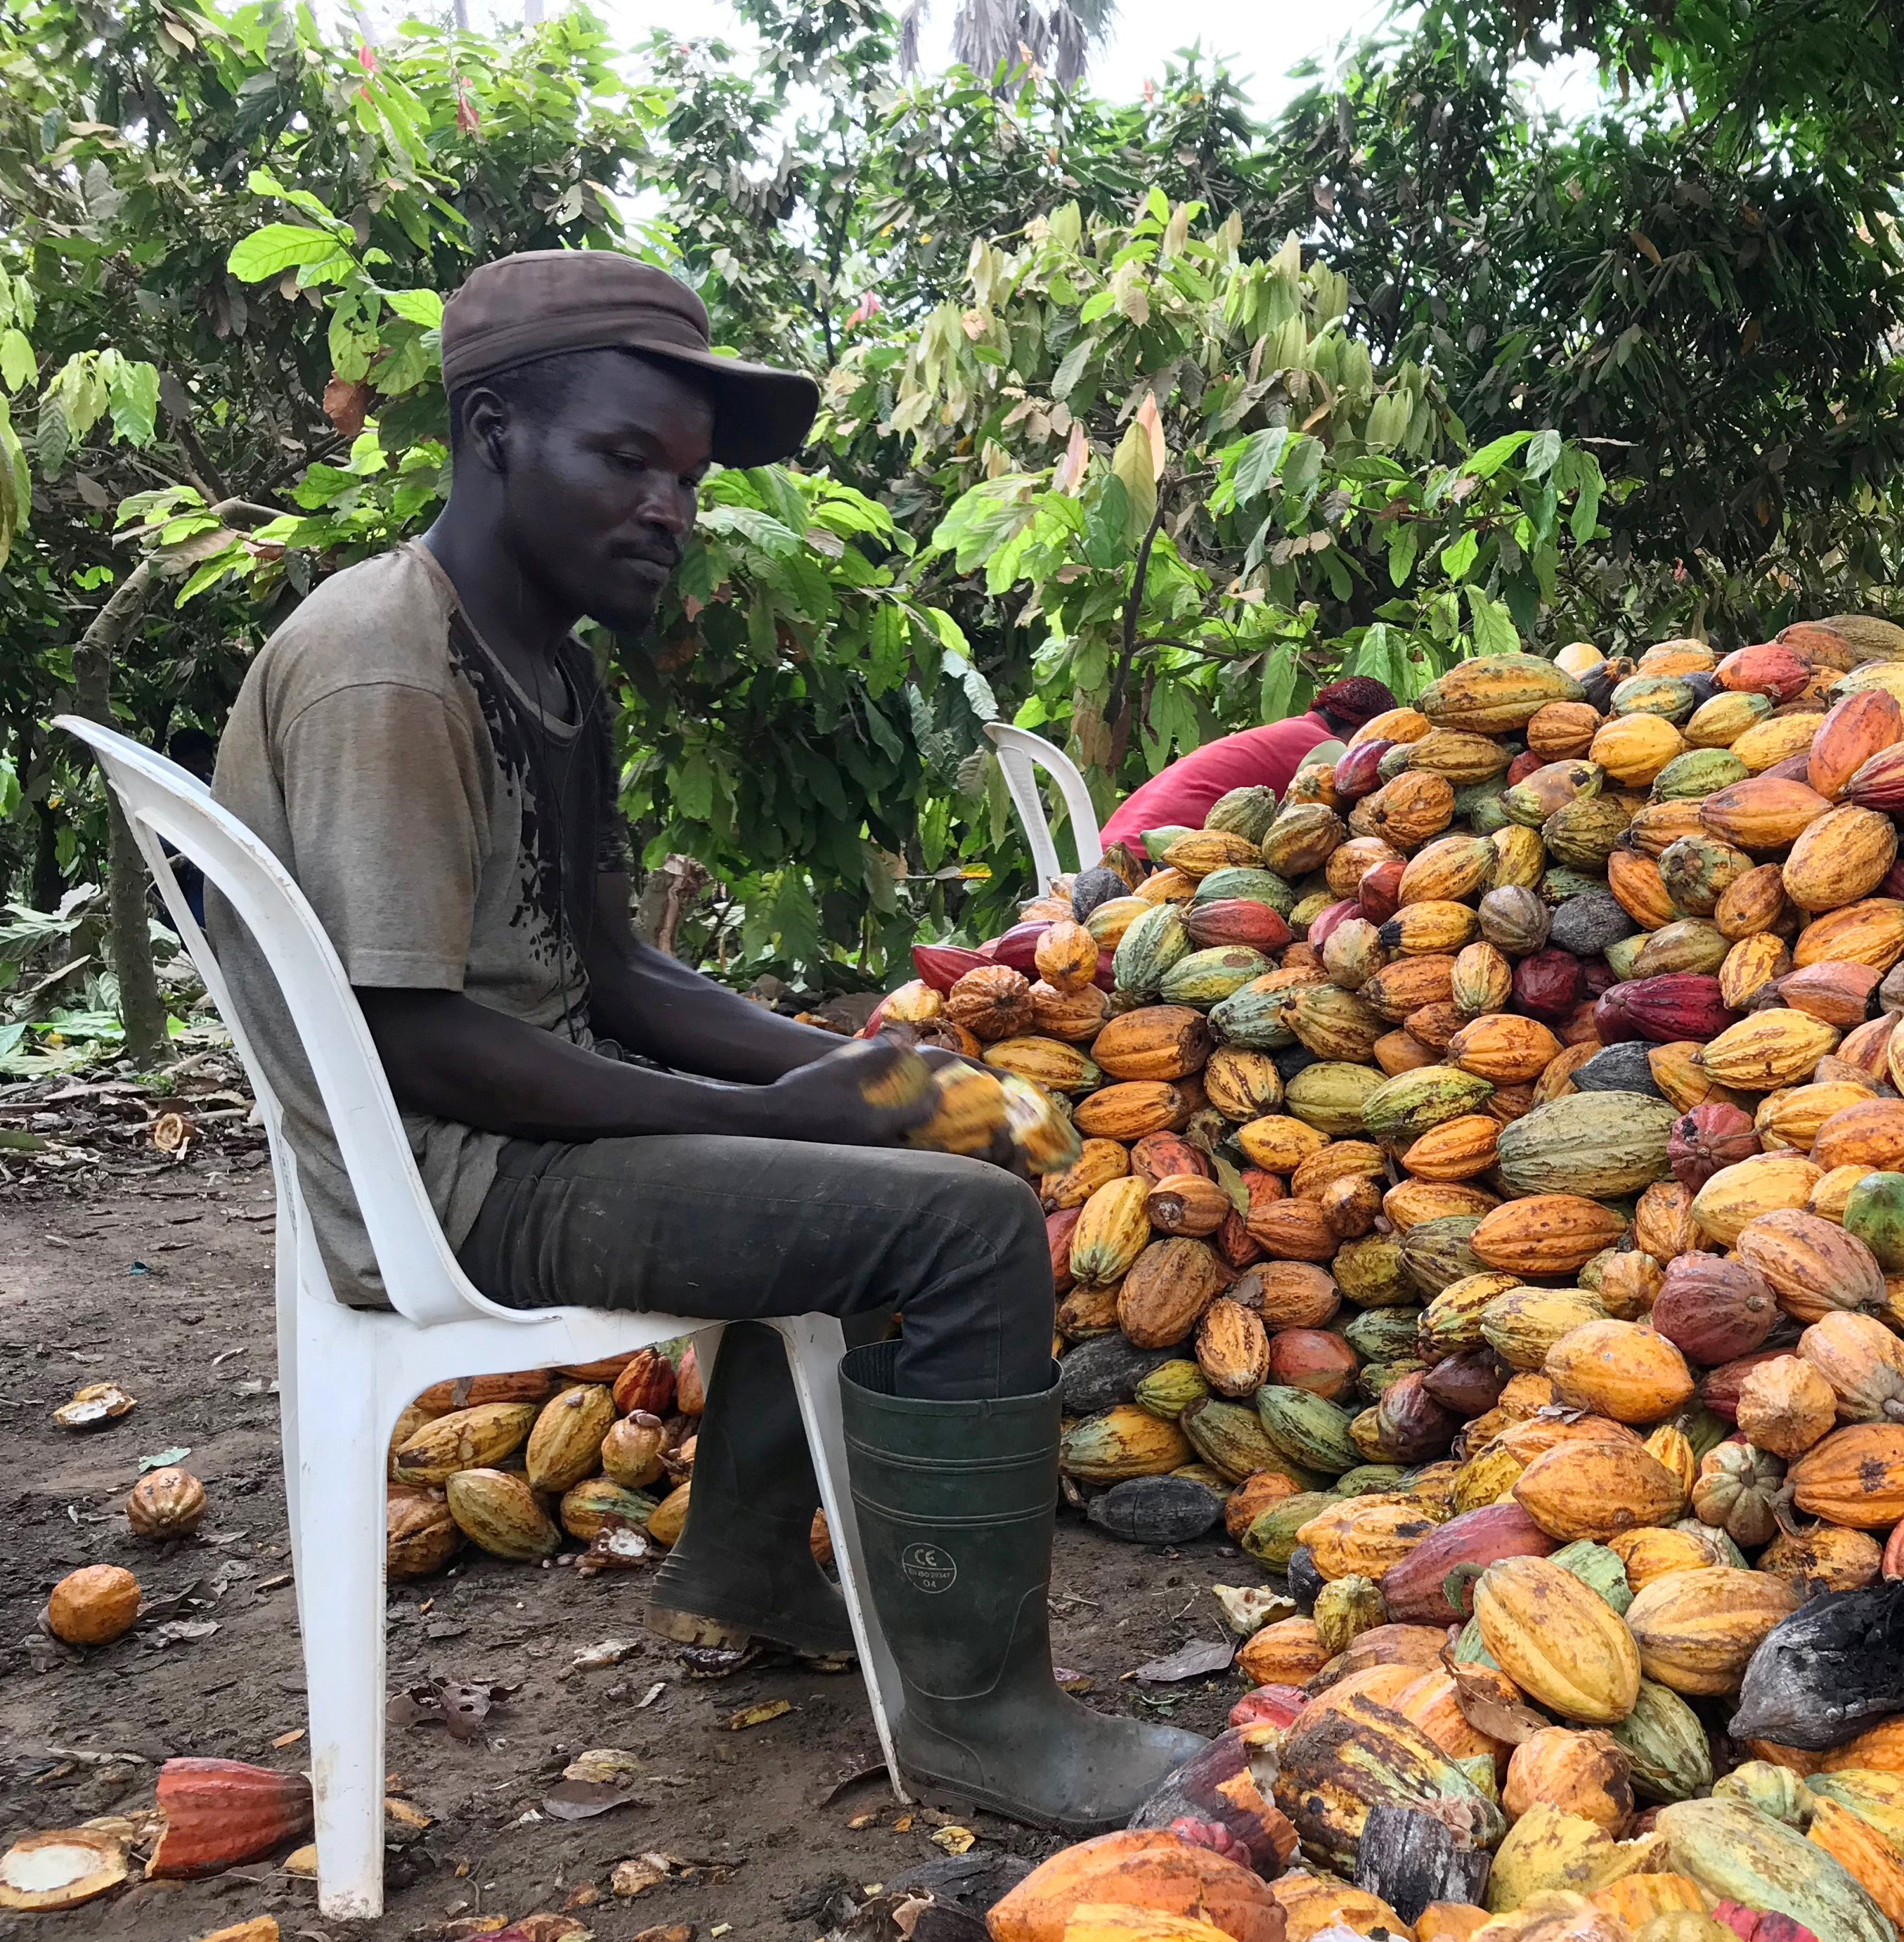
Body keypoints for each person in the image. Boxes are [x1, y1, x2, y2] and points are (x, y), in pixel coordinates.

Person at [203, 250, 1198, 1832]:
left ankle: (740, 1557)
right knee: (968, 1228)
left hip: (529, 1129)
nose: (670, 506)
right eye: (626, 459)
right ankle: (985, 1718)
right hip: (457, 1176)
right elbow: (413, 1040)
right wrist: (806, 1114)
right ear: (491, 433)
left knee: (890, 1114)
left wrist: (835, 1065)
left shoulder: (552, 668)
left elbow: (611, 970)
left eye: (685, 475)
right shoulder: (390, 662)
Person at [1096, 675, 1399, 851]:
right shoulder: (1328, 748)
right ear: (1362, 729)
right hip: (1151, 853)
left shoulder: (1289, 731)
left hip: (1110, 844)